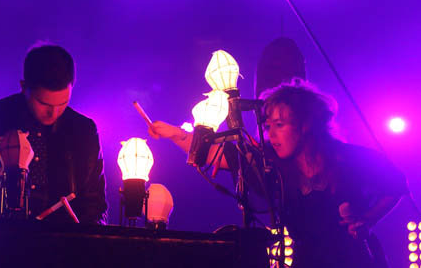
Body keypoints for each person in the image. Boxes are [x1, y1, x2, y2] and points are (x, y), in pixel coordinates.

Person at [149, 80, 407, 267]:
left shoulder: (349, 157)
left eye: (280, 125)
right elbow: (214, 153)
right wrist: (175, 134)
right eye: (268, 125)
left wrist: (368, 219)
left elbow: (397, 184)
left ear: (305, 125)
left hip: (356, 261)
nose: (270, 133)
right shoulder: (269, 163)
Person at [0, 44, 108, 224]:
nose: (54, 112)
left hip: (63, 245)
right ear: (23, 87)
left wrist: (86, 240)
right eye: (43, 103)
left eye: (63, 103)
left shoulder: (83, 130)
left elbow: (95, 204)